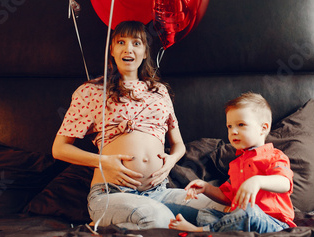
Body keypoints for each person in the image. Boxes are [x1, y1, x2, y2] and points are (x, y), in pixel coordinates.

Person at [52, 21, 212, 229]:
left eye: (136, 43)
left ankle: (115, 229)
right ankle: (110, 225)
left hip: (160, 191)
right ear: (112, 50)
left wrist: (170, 162)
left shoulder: (159, 92)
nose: (128, 48)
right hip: (111, 193)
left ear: (145, 52)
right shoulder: (91, 91)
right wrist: (104, 162)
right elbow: (59, 149)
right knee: (159, 219)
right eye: (121, 42)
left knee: (218, 208)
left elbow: (178, 144)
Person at [169, 92, 297, 233]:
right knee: (206, 213)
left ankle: (201, 231)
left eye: (241, 124)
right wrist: (206, 188)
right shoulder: (237, 164)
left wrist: (257, 181)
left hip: (274, 223)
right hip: (240, 219)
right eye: (229, 126)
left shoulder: (274, 156)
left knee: (249, 211)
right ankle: (218, 231)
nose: (233, 131)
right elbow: (228, 196)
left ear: (263, 128)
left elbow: (285, 183)